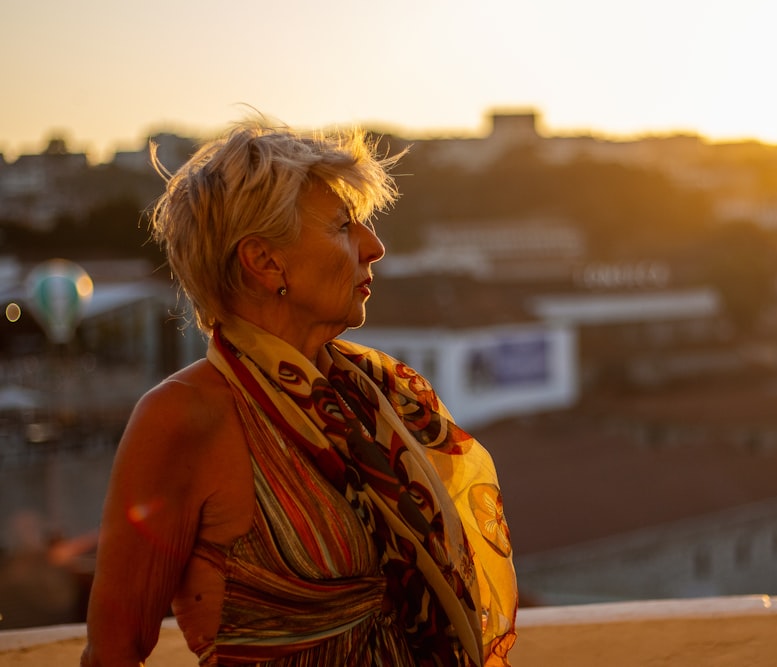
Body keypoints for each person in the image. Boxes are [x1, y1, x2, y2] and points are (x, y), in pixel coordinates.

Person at [81, 118, 517, 666]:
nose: (374, 246)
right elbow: (113, 651)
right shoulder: (184, 415)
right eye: (342, 227)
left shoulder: (373, 394)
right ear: (264, 262)